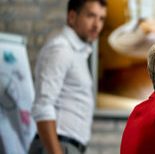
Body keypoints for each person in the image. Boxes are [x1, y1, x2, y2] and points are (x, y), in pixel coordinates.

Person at [28, 0, 107, 154]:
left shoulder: (78, 52)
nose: (97, 25)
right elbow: (42, 106)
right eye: (91, 16)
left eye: (102, 18)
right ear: (72, 17)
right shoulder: (61, 48)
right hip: (57, 146)